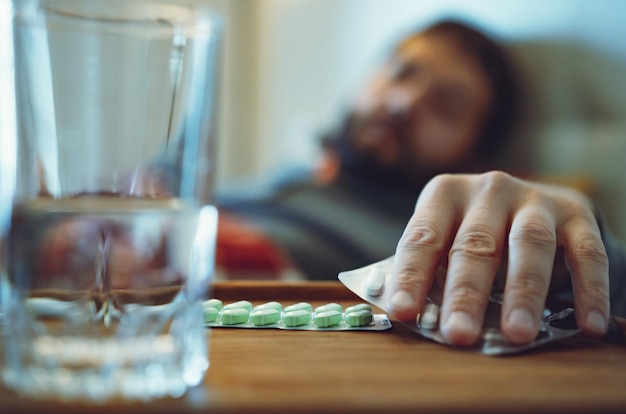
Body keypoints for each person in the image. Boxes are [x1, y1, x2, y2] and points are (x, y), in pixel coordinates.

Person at [216, 19, 626, 347]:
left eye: (446, 107)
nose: (403, 102)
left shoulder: (428, 244)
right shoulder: (284, 178)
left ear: (474, 155)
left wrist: (572, 231)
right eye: (400, 73)